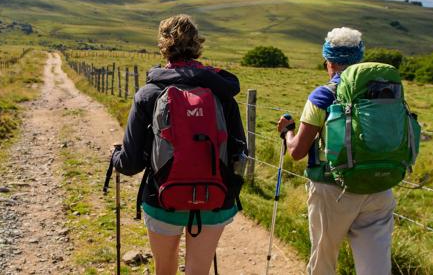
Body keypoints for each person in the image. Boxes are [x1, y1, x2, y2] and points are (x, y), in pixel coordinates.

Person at [112, 14, 246, 275]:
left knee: (164, 269)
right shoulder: (221, 92)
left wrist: (115, 156)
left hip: (162, 196)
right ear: (197, 45)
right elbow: (238, 151)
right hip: (214, 197)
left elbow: (130, 164)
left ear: (163, 47)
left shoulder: (148, 94)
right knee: (199, 271)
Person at [276, 27, 396, 275]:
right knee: (375, 270)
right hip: (380, 187)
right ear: (359, 59)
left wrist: (287, 132)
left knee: (323, 263)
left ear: (328, 61)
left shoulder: (323, 95)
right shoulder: (385, 92)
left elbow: (297, 151)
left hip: (334, 190)